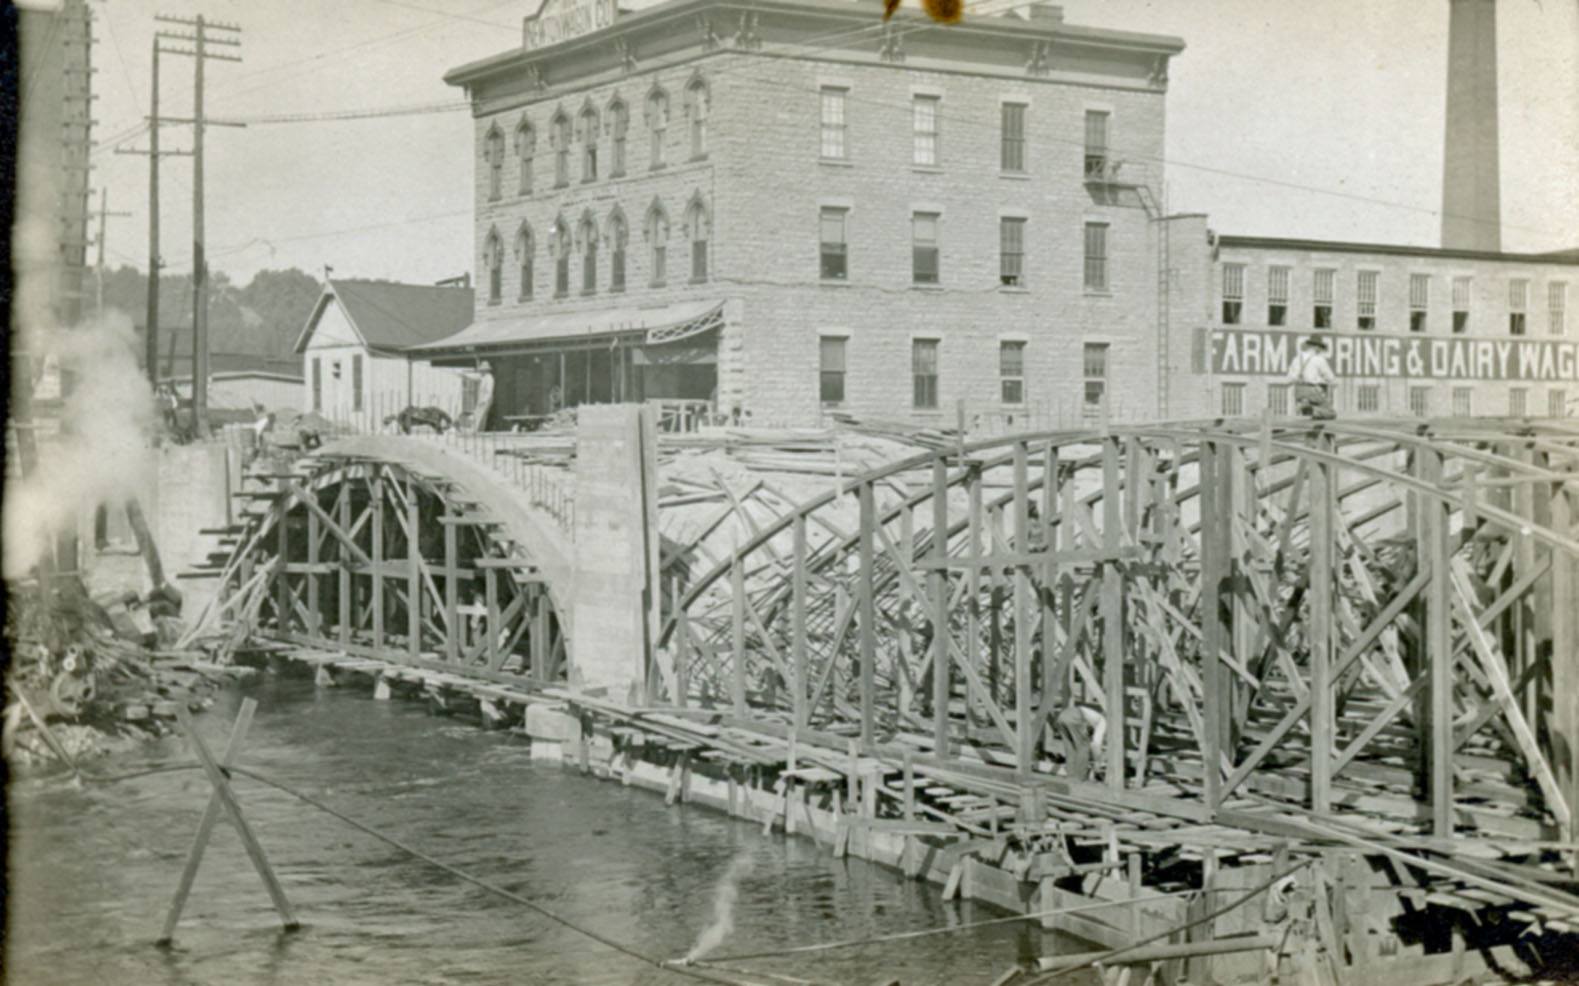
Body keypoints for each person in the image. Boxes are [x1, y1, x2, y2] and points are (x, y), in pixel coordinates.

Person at [1285, 335, 1337, 419]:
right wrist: (1334, 383)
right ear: (1316, 347)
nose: (1320, 350)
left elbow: (1290, 378)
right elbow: (1329, 377)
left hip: (1299, 391)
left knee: (1309, 417)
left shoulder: (1297, 358)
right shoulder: (1319, 359)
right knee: (1330, 413)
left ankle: (1307, 408)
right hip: (1313, 390)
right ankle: (1312, 410)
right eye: (1320, 348)